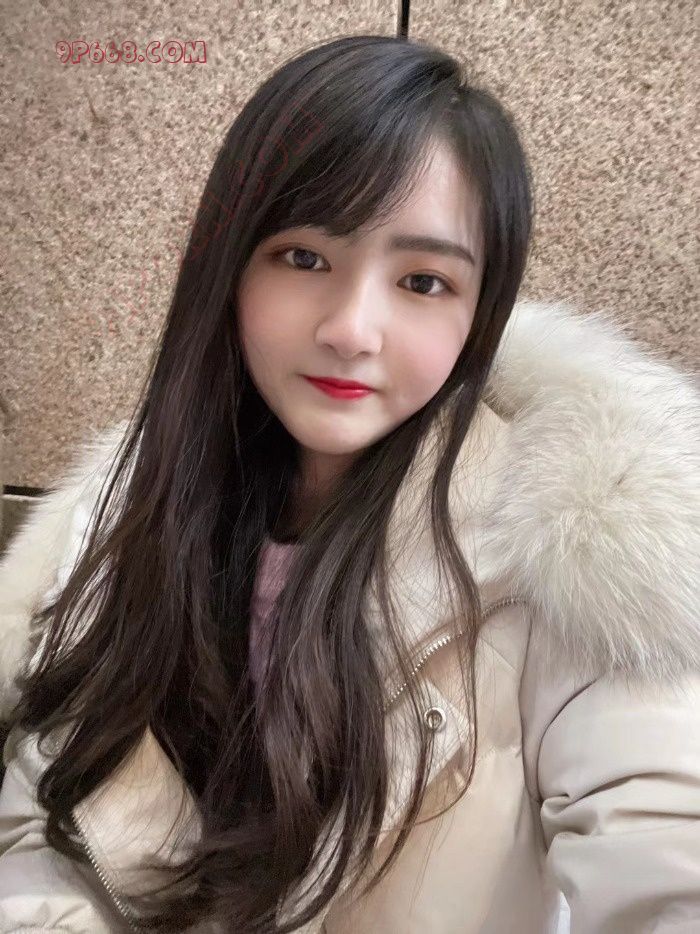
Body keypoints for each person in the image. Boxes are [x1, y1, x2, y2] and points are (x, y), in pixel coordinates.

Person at [0, 32, 698, 934]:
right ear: (228, 267)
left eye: (423, 280)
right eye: (304, 258)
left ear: (480, 311)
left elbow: (665, 845)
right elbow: (39, 822)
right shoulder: (124, 515)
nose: (352, 330)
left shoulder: (569, 549)